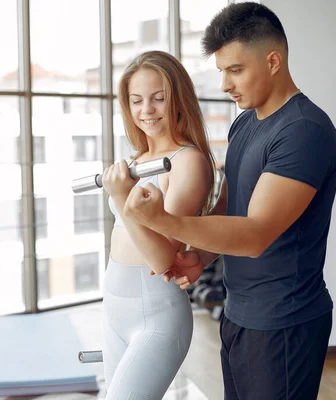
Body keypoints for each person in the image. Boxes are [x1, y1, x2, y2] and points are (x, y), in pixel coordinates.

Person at [121, 3, 336, 400]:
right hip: (239, 312)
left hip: (284, 322)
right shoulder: (246, 122)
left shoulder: (303, 131)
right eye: (222, 70)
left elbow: (255, 234)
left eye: (235, 70)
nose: (225, 84)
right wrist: (201, 256)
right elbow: (228, 206)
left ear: (273, 60)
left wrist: (160, 220)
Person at [99, 50, 218, 400]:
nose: (146, 110)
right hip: (113, 307)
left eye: (158, 99)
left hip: (156, 314)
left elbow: (163, 259)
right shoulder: (136, 161)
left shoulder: (188, 161)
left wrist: (122, 197)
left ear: (178, 100)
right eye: (136, 100)